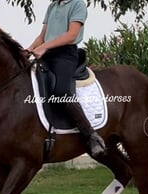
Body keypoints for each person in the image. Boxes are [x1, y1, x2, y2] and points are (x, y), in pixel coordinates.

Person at [27, 0, 105, 157]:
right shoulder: (52, 6)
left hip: (65, 55)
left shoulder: (77, 4)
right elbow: (42, 36)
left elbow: (71, 35)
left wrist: (45, 47)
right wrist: (28, 49)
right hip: (46, 54)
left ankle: (91, 135)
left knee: (61, 93)